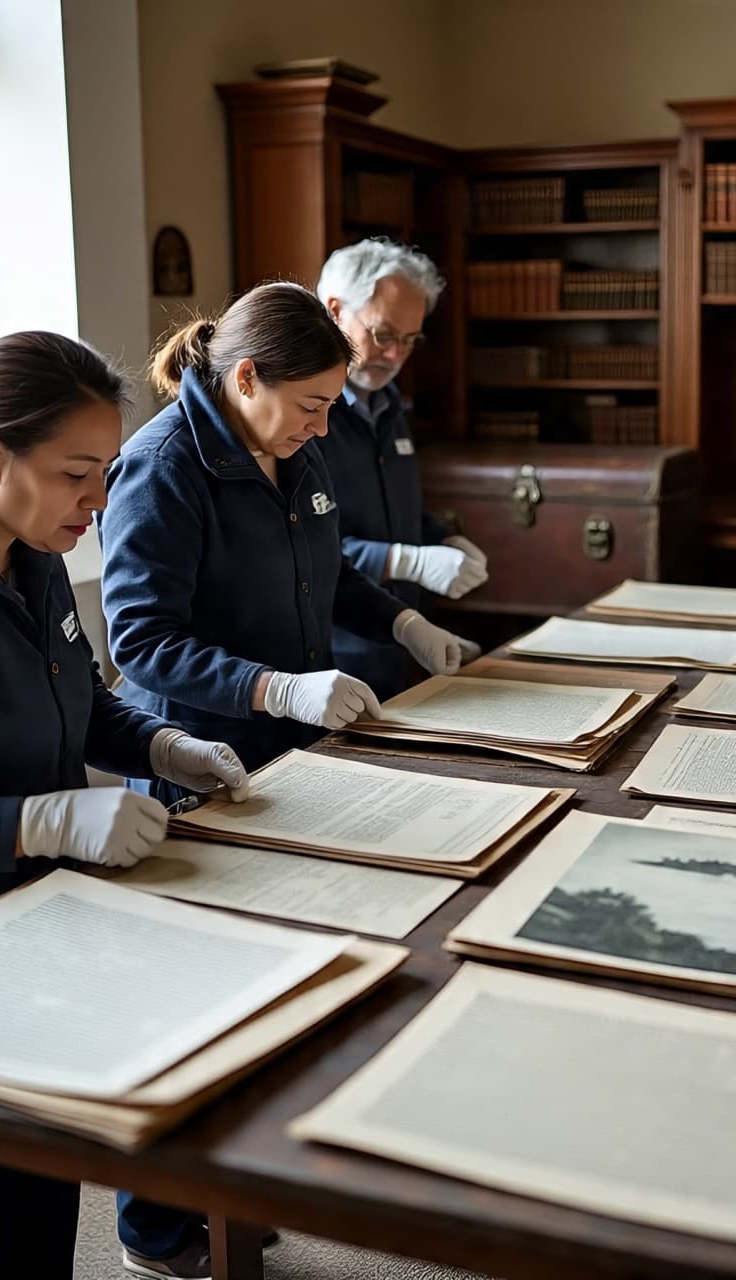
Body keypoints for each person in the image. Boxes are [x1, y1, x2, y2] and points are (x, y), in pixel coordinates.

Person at [98, 281, 476, 1278]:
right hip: (205, 759)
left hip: (292, 755)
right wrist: (274, 686)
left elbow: (330, 567)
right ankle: (154, 1226)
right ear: (245, 376)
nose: (323, 424)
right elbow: (138, 640)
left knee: (277, 988)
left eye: (329, 407)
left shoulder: (294, 446)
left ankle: (228, 1192)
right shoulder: (160, 467)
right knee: (193, 1000)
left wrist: (398, 617)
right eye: (311, 404)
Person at [0, 332, 247, 1280]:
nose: (100, 500)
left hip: (35, 924)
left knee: (40, 1201)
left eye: (107, 470)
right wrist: (43, 818)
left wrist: (155, 742)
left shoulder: (30, 545)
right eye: (79, 474)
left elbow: (77, 694)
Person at [316, 238, 488, 697]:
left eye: (410, 341)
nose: (396, 356)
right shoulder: (306, 416)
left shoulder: (390, 404)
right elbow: (304, 549)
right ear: (334, 311)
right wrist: (405, 561)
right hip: (334, 656)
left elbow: (395, 514)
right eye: (384, 334)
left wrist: (441, 540)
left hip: (395, 647)